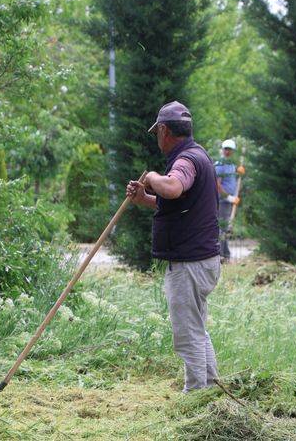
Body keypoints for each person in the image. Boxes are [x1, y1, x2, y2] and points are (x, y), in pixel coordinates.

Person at [126, 100, 221, 392]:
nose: (157, 138)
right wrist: (145, 200)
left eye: (157, 133)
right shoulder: (198, 155)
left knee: (187, 334)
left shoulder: (185, 161)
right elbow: (180, 202)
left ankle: (195, 396)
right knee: (196, 330)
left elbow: (174, 187)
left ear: (164, 130)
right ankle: (210, 389)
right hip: (201, 260)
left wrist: (153, 177)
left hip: (190, 264)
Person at [214, 139, 244, 263]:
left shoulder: (230, 164)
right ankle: (222, 255)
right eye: (225, 149)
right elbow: (217, 184)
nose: (227, 151)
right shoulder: (219, 165)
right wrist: (229, 197)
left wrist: (238, 170)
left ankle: (225, 255)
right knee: (222, 227)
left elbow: (231, 176)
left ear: (233, 151)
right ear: (222, 150)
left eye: (229, 149)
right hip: (222, 201)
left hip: (228, 202)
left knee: (225, 227)